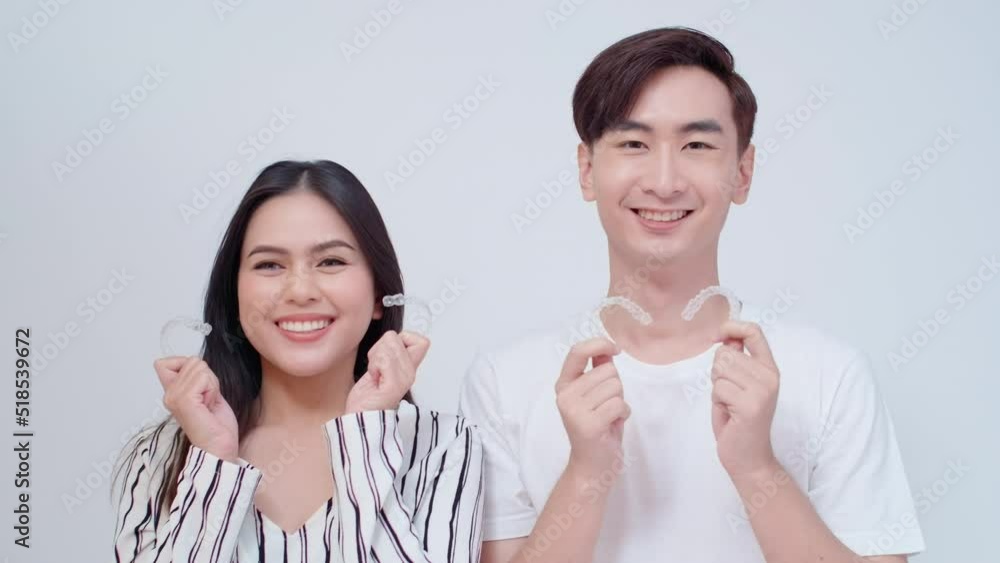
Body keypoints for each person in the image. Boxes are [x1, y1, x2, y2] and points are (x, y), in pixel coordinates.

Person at [459, 27, 925, 562]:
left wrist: (757, 469)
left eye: (697, 145)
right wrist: (585, 473)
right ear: (587, 171)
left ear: (743, 172)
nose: (663, 181)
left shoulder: (830, 375)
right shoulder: (503, 383)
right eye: (633, 144)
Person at [112, 160, 484, 562]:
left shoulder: (445, 447)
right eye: (269, 265)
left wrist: (363, 434)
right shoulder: (164, 453)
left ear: (380, 294)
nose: (300, 290)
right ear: (234, 294)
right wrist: (214, 459)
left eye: (331, 262)